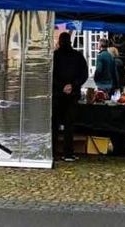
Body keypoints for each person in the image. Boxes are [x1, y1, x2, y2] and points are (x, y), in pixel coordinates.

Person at [52, 32, 88, 162]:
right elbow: (84, 74)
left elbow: (50, 75)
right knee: (69, 125)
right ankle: (68, 153)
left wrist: (62, 86)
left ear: (60, 42)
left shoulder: (54, 56)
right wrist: (73, 85)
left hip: (57, 95)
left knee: (54, 125)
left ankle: (53, 152)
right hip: (72, 95)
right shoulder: (78, 56)